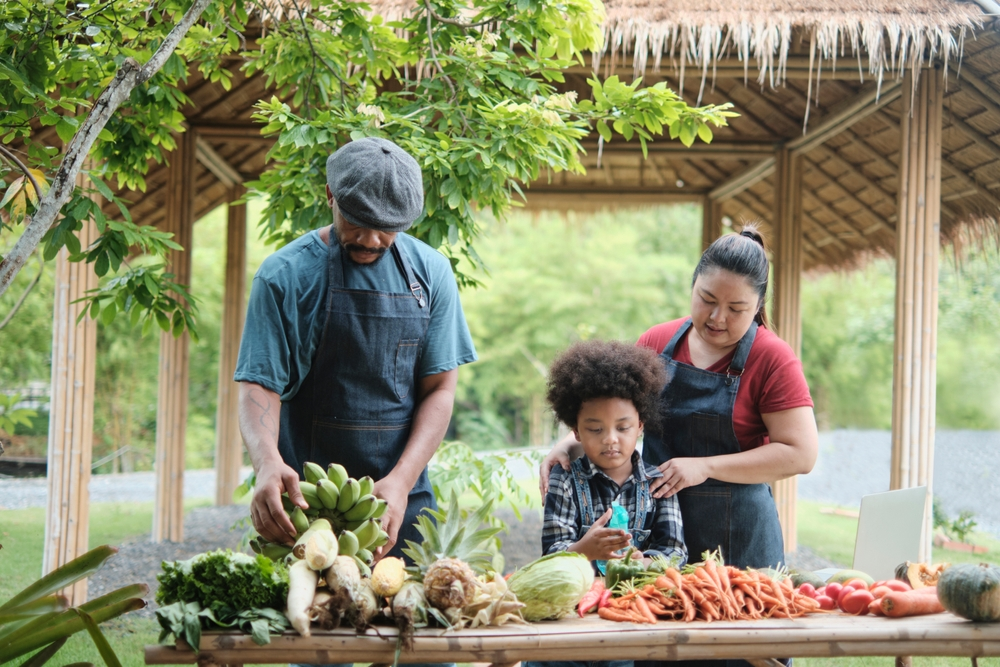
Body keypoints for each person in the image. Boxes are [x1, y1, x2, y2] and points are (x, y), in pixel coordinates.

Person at [235, 137, 478, 565]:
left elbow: (440, 388)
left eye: (387, 227)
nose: (370, 239)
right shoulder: (284, 275)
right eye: (357, 221)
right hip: (305, 502)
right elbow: (259, 384)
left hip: (401, 500)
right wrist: (267, 463)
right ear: (330, 195)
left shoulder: (431, 274)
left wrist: (401, 482)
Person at [541, 225, 817, 585]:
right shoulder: (655, 342)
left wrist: (704, 467)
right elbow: (620, 419)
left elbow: (801, 454)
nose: (718, 317)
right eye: (707, 299)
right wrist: (569, 444)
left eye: (736, 308)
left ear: (759, 306)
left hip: (742, 548)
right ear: (692, 287)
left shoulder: (772, 358)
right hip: (657, 546)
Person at [526, 339, 686, 667]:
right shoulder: (565, 480)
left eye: (623, 427)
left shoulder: (659, 483)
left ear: (640, 425)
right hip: (569, 620)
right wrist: (583, 549)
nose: (610, 438)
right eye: (595, 429)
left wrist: (645, 562)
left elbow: (675, 550)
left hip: (633, 620)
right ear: (577, 433)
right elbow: (551, 554)